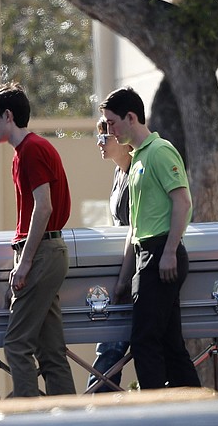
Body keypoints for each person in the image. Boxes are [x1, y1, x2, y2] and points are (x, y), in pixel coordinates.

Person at [100, 86, 200, 390]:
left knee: (144, 341)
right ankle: (204, 411)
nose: (110, 130)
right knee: (170, 345)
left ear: (132, 117)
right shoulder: (138, 159)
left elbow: (182, 201)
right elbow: (135, 225)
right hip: (148, 254)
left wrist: (169, 251)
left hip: (160, 254)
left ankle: (154, 412)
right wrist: (123, 278)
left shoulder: (159, 151)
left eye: (113, 122)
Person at [0, 82, 76, 398]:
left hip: (41, 253)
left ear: (8, 116)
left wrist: (24, 263)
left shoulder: (31, 150)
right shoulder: (28, 150)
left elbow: (44, 206)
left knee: (17, 343)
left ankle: (29, 415)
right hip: (50, 251)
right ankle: (68, 419)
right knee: (51, 351)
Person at [87, 118, 132, 393]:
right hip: (120, 273)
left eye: (105, 137)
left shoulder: (135, 171)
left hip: (132, 274)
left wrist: (123, 279)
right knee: (109, 351)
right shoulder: (118, 173)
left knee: (110, 351)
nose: (100, 143)